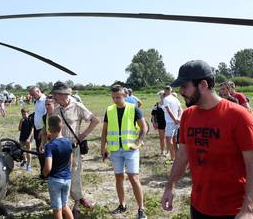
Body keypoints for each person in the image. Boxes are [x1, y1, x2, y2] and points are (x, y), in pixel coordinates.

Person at [161, 60, 253, 218]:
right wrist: (170, 186)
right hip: (199, 206)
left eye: (184, 86)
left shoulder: (239, 116)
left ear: (202, 85)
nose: (180, 91)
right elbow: (182, 155)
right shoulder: (188, 116)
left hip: (235, 210)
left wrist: (248, 209)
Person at [52, 81, 99, 216]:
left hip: (73, 147)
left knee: (74, 174)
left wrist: (82, 135)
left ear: (63, 95)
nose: (54, 97)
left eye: (55, 94)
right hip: (60, 149)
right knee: (61, 176)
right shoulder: (56, 109)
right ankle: (64, 203)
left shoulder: (77, 106)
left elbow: (94, 120)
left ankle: (77, 204)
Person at [101, 85, 148, 219]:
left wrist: (138, 143)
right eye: (113, 98)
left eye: (118, 97)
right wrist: (103, 148)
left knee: (133, 178)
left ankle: (141, 209)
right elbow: (104, 130)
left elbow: (144, 127)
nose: (116, 100)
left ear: (125, 96)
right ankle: (122, 205)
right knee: (118, 177)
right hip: (115, 150)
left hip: (130, 149)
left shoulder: (134, 109)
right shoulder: (109, 110)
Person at [43, 115, 74, 219]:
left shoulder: (50, 146)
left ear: (49, 129)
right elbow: (70, 161)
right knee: (65, 206)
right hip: (67, 179)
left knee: (57, 209)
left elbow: (48, 167)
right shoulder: (68, 142)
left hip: (55, 180)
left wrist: (44, 174)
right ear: (62, 127)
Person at [28, 86, 47, 178]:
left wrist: (43, 130)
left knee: (43, 151)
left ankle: (46, 174)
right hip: (37, 129)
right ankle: (43, 172)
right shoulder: (37, 101)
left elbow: (46, 116)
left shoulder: (45, 101)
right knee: (40, 152)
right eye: (31, 95)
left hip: (42, 130)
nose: (31, 96)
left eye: (33, 94)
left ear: (38, 91)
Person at [162, 86, 182, 162]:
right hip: (176, 122)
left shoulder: (165, 99)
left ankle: (172, 159)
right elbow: (180, 110)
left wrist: (174, 119)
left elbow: (168, 110)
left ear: (165, 90)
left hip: (170, 122)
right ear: (171, 90)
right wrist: (178, 119)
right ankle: (176, 158)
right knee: (174, 140)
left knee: (169, 140)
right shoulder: (175, 99)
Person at [151, 91, 167, 156]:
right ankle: (162, 151)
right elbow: (153, 115)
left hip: (169, 123)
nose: (162, 97)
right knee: (162, 138)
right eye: (161, 95)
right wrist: (154, 123)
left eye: (163, 95)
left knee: (169, 138)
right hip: (160, 123)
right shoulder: (156, 105)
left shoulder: (169, 103)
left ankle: (168, 151)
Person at [18, 107, 34, 172]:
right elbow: (19, 129)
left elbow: (32, 130)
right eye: (22, 114)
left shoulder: (30, 120)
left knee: (28, 151)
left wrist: (29, 138)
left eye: (25, 114)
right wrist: (21, 123)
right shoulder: (22, 120)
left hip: (28, 138)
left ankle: (29, 165)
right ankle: (25, 160)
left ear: (28, 113)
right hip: (22, 137)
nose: (24, 115)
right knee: (22, 150)